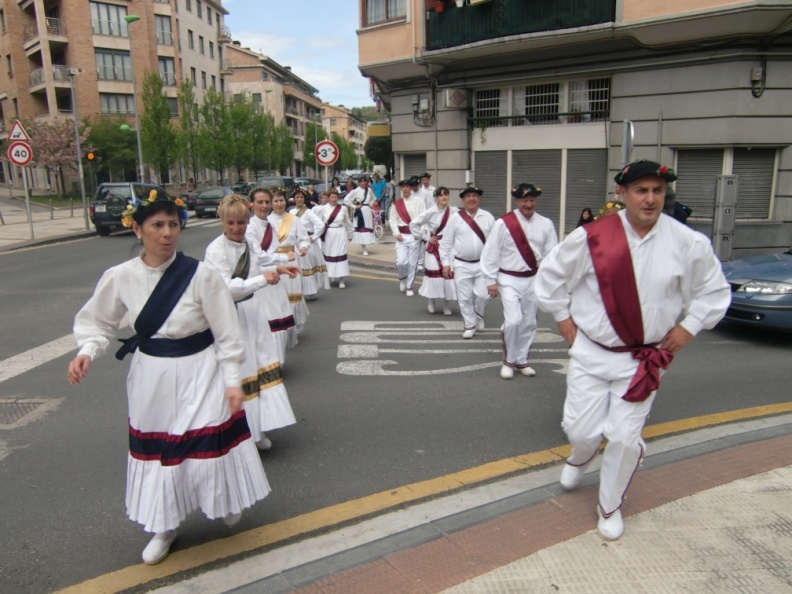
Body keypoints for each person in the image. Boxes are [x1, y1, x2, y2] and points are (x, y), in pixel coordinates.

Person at [67, 190, 270, 565]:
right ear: (137, 230)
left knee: (210, 439)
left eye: (173, 224)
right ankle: (164, 526)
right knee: (162, 451)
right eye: (157, 225)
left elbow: (227, 333)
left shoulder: (201, 275)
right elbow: (97, 322)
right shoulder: (121, 277)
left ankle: (224, 499)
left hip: (202, 369)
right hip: (152, 377)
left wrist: (232, 379)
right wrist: (87, 351)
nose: (166, 233)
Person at [535, 159, 731, 541]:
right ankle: (582, 454)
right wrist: (563, 319)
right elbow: (551, 277)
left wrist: (690, 326)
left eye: (658, 190)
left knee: (624, 438)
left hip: (642, 360)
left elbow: (714, 290)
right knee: (580, 430)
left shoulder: (687, 242)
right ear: (621, 193)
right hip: (591, 353)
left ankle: (609, 506)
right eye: (641, 190)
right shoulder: (591, 237)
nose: (650, 198)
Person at [204, 195, 297, 450]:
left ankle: (257, 429)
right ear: (222, 222)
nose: (236, 228)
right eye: (231, 223)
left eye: (241, 222)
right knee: (241, 369)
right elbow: (226, 289)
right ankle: (238, 432)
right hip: (230, 316)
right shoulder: (215, 250)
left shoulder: (248, 242)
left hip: (254, 312)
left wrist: (279, 268)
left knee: (260, 365)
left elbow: (261, 261)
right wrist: (262, 280)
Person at [481, 183, 558, 379]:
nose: (528, 204)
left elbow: (551, 255)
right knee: (513, 321)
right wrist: (490, 279)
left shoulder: (546, 224)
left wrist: (549, 280)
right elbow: (491, 252)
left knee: (529, 322)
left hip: (533, 279)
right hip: (508, 279)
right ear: (516, 200)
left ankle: (522, 360)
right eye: (524, 200)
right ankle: (509, 360)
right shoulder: (504, 223)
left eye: (532, 200)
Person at [246, 188, 300, 362]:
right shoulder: (250, 227)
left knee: (279, 318)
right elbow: (258, 256)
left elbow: (271, 252)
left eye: (266, 202)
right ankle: (268, 362)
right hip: (260, 280)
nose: (264, 206)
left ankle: (278, 361)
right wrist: (284, 258)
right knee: (267, 322)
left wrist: (281, 268)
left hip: (273, 278)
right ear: (252, 204)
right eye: (260, 202)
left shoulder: (269, 225)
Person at [440, 186, 495, 338]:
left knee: (484, 295)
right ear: (463, 200)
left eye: (475, 196)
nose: (472, 199)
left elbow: (495, 244)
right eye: (468, 196)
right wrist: (446, 263)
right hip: (461, 264)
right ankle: (470, 325)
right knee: (464, 297)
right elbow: (446, 242)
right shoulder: (455, 218)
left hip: (482, 265)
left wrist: (495, 266)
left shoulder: (488, 217)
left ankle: (478, 315)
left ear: (479, 199)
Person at [410, 186, 457, 315]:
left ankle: (447, 305)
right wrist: (426, 237)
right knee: (433, 276)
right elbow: (413, 224)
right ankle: (431, 301)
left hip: (448, 247)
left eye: (446, 194)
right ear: (436, 197)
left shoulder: (454, 212)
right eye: (441, 195)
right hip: (434, 246)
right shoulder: (430, 212)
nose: (444, 197)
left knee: (448, 275)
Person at [269, 190, 310, 335]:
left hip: (291, 260)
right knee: (277, 294)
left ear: (285, 201)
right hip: (273, 261)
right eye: (275, 201)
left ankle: (296, 325)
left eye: (281, 200)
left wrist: (303, 247)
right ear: (271, 203)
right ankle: (280, 324)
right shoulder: (266, 221)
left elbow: (303, 238)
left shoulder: (294, 220)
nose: (279, 204)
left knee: (293, 293)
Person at [389, 178, 426, 297]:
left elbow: (424, 218)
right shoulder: (396, 204)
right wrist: (396, 233)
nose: (405, 189)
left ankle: (409, 286)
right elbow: (392, 220)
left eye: (407, 187)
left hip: (414, 236)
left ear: (410, 188)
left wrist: (420, 234)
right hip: (402, 236)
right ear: (401, 188)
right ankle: (403, 278)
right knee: (401, 262)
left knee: (412, 263)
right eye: (403, 187)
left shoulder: (419, 202)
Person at [290, 188, 329, 297]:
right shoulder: (291, 212)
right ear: (294, 199)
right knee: (298, 266)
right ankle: (300, 289)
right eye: (297, 197)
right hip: (296, 242)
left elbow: (321, 225)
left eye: (301, 197)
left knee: (307, 266)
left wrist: (314, 237)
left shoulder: (308, 212)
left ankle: (310, 290)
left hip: (307, 242)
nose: (299, 199)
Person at [319, 188, 354, 288]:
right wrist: (317, 235)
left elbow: (348, 222)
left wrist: (351, 234)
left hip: (340, 233)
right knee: (329, 254)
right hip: (329, 234)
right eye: (332, 197)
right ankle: (330, 275)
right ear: (328, 198)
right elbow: (319, 223)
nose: (334, 199)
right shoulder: (323, 209)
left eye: (335, 197)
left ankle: (341, 279)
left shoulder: (343, 208)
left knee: (340, 254)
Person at [345, 176, 376, 256]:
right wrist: (355, 206)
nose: (363, 183)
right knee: (362, 228)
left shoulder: (369, 190)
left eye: (364, 181)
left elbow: (373, 198)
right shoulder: (355, 191)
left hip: (367, 211)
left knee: (367, 228)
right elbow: (346, 200)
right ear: (359, 183)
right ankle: (364, 248)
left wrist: (370, 204)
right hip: (360, 211)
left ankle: (366, 243)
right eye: (361, 181)